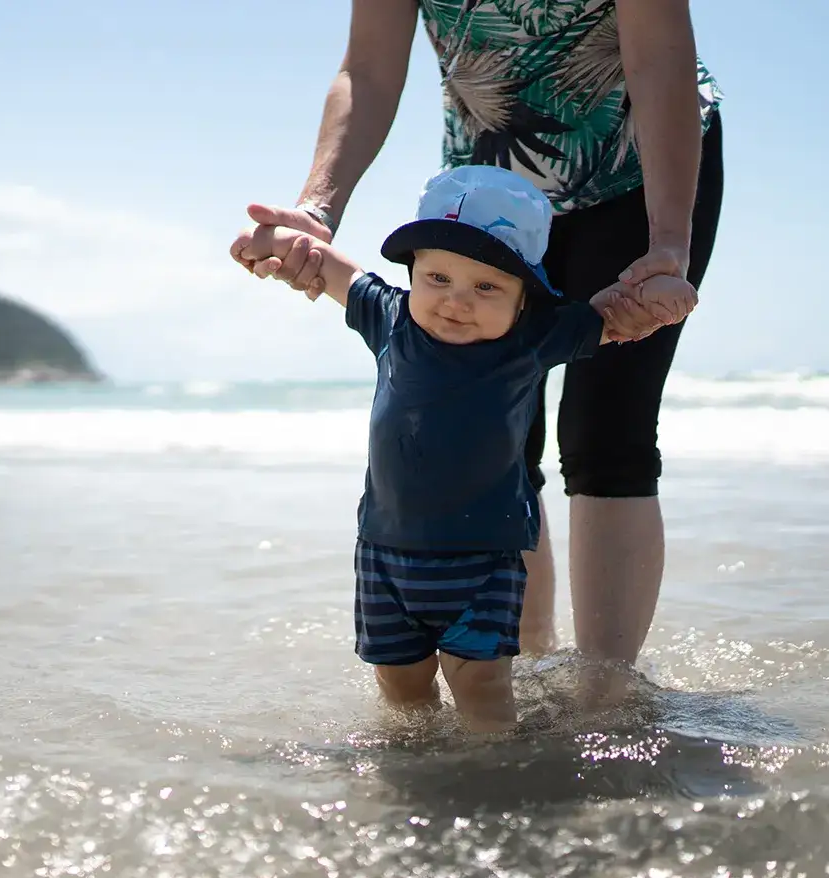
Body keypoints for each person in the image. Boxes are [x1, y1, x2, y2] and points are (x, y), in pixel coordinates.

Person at [229, 1, 724, 680]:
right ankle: (525, 668)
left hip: (638, 167)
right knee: (494, 429)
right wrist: (317, 210)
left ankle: (607, 693)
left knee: (608, 433)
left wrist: (668, 240)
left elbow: (658, 56)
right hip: (488, 187)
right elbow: (370, 70)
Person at [237, 164, 698, 731]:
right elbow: (335, 269)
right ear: (413, 274)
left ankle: (493, 780)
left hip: (484, 561)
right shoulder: (389, 318)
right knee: (400, 685)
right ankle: (418, 777)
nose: (457, 302)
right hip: (385, 555)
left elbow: (616, 317)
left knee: (481, 685)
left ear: (524, 298)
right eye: (438, 279)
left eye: (486, 287)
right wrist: (278, 242)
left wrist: (661, 294)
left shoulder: (532, 339)